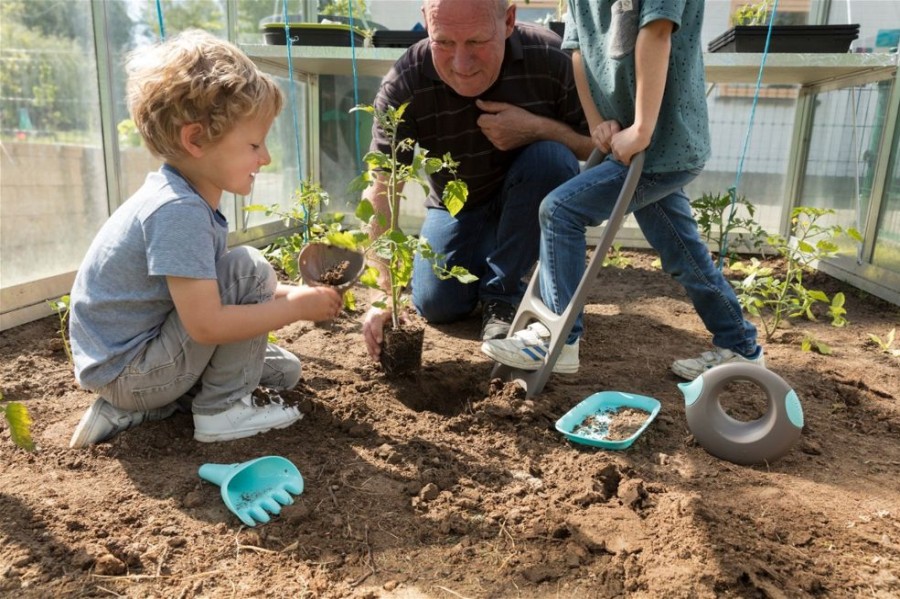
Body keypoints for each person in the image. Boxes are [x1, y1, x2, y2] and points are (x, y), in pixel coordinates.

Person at [67, 30, 343, 448]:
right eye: (254, 143)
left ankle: (147, 407)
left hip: (137, 360)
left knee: (283, 371)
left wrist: (297, 296)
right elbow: (207, 321)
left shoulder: (185, 198)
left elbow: (211, 293)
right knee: (248, 266)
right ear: (195, 139)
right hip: (131, 370)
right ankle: (222, 412)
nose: (265, 157)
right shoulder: (178, 212)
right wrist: (296, 309)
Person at [482, 0, 764, 379]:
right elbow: (578, 51)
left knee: (561, 210)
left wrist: (643, 128)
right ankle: (741, 345)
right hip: (633, 146)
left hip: (665, 143)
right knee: (682, 251)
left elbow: (657, 31)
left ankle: (558, 341)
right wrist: (597, 122)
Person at [362, 0, 594, 361]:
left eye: (476, 42)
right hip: (458, 206)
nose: (460, 64)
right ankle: (501, 262)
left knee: (552, 158)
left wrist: (536, 128)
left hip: (530, 197)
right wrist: (383, 294)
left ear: (509, 21)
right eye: (444, 42)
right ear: (426, 22)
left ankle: (503, 295)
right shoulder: (406, 81)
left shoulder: (551, 57)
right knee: (436, 304)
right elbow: (381, 191)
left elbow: (596, 146)